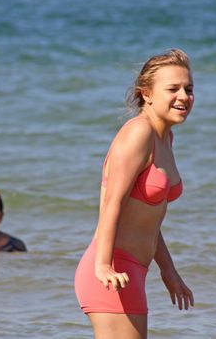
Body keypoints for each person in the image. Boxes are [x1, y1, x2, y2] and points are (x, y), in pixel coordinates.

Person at [74, 48, 195, 338]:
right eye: (173, 89)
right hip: (112, 271)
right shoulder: (138, 133)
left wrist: (168, 270)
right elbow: (112, 204)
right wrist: (103, 265)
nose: (184, 97)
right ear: (146, 94)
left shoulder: (165, 138)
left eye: (189, 89)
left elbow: (148, 220)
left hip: (132, 273)